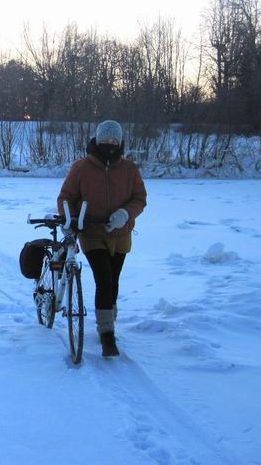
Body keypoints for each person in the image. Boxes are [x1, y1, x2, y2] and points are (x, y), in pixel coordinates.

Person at [57, 120, 146, 357]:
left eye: (114, 140)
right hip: (92, 233)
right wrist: (72, 218)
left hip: (121, 234)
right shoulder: (81, 168)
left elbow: (140, 198)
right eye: (106, 139)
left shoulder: (130, 169)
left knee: (113, 281)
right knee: (104, 280)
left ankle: (109, 318)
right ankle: (107, 333)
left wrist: (125, 213)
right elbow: (65, 198)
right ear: (97, 140)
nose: (110, 144)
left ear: (120, 142)